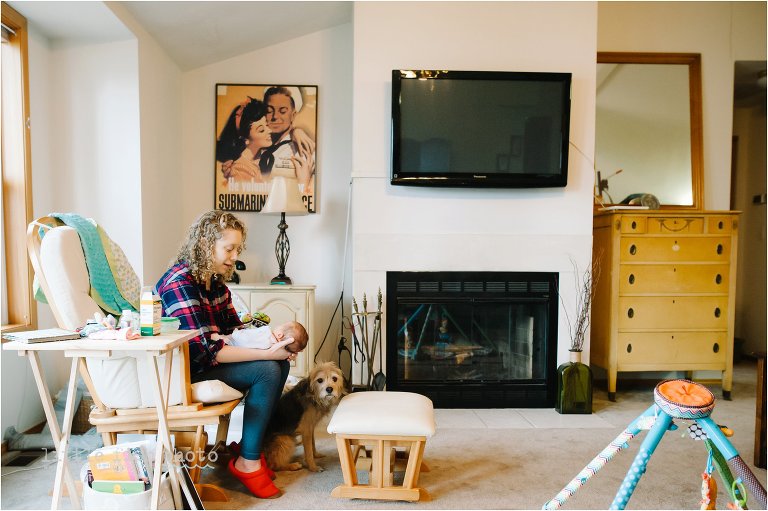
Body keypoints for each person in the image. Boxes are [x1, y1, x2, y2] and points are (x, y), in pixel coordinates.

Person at [155, 210, 297, 499]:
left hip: (208, 361)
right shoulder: (179, 282)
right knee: (268, 369)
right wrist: (268, 355)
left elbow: (233, 329)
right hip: (185, 370)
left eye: (237, 249)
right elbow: (207, 351)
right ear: (206, 246)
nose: (234, 256)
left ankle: (249, 450)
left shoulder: (215, 282)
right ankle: (248, 462)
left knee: (278, 365)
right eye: (228, 249)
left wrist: (272, 344)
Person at [228, 320, 308, 354]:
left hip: (232, 343)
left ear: (280, 335)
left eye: (280, 326)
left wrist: (234, 333)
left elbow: (246, 337)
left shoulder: (266, 334)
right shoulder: (275, 349)